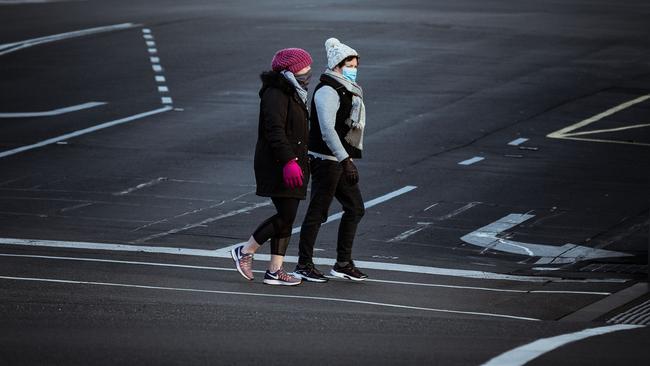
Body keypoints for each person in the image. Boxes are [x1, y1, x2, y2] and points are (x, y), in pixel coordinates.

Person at [231, 48, 313, 286]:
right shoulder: (276, 93)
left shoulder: (296, 91)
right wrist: (289, 161)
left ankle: (275, 271)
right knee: (286, 215)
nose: (308, 72)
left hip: (295, 162)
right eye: (304, 68)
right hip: (279, 163)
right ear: (290, 70)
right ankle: (245, 251)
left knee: (288, 216)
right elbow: (274, 130)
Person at [292, 38, 368, 282]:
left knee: (355, 208)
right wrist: (346, 160)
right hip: (326, 160)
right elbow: (326, 129)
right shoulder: (328, 90)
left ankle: (343, 263)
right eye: (350, 65)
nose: (353, 69)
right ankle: (303, 264)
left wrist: (345, 159)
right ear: (337, 65)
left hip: (338, 159)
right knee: (318, 213)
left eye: (356, 66)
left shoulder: (345, 87)